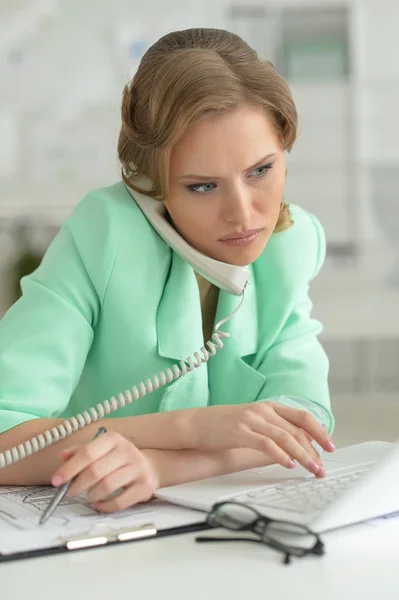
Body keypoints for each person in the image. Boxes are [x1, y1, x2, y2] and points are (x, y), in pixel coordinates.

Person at [0, 28, 335, 513]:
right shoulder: (106, 235)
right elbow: (5, 437)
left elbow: (305, 426)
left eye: (261, 170)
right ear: (149, 182)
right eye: (202, 186)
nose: (243, 214)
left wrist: (160, 468)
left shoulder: (290, 242)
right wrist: (192, 428)